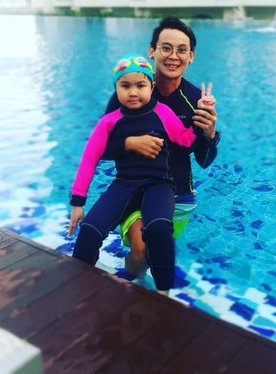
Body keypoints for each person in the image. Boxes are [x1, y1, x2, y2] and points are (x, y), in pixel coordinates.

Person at [68, 55, 214, 294]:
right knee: (90, 228)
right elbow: (89, 158)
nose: (133, 92)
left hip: (159, 184)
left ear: (151, 87)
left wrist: (202, 117)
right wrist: (78, 203)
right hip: (124, 183)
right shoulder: (110, 121)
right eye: (125, 86)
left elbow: (186, 141)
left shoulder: (163, 112)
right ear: (116, 88)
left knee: (159, 229)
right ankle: (77, 285)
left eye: (140, 85)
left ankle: (163, 291)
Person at [104, 18, 220, 277]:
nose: (173, 56)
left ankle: (141, 285)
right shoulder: (131, 92)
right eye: (166, 48)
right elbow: (101, 148)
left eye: (182, 50)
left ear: (191, 57)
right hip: (134, 189)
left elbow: (204, 160)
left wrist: (209, 134)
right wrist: (130, 143)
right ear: (152, 51)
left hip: (179, 195)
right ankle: (131, 284)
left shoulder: (196, 100)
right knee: (141, 251)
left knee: (155, 255)